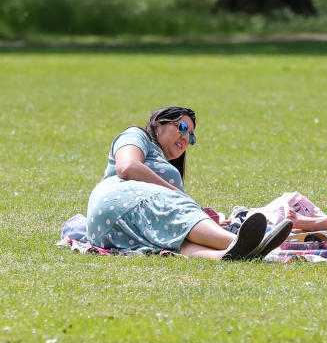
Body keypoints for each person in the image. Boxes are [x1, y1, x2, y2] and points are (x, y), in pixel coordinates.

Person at [85, 106, 292, 260]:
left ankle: (225, 255)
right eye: (182, 127)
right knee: (178, 214)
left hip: (110, 232)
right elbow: (127, 167)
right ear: (158, 125)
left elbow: (180, 215)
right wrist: (176, 193)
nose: (186, 137)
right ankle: (241, 242)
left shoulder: (164, 174)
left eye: (191, 136)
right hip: (116, 201)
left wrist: (201, 214)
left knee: (178, 237)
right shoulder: (136, 135)